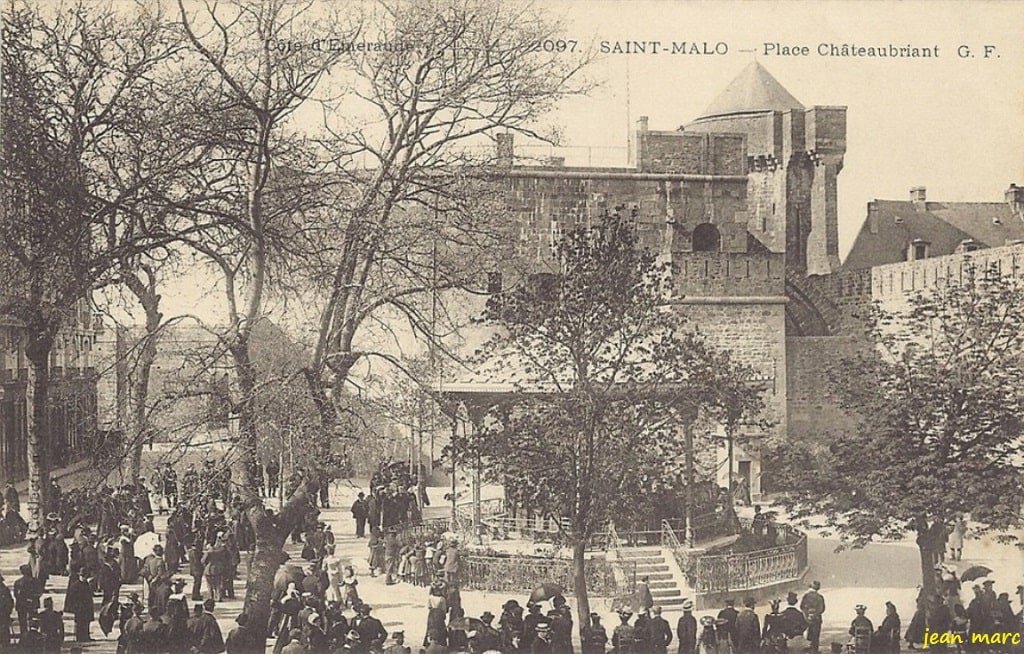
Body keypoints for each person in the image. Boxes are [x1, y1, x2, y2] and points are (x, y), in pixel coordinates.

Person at [13, 562, 41, 640]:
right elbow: (39, 592)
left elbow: (16, 594)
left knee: (23, 622)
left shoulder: (18, 582)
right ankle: (33, 635)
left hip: (21, 604)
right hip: (32, 603)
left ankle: (24, 637)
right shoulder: (35, 581)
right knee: (33, 620)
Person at [66, 567, 95, 642]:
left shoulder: (86, 584)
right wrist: (76, 607)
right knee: (80, 623)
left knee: (86, 623)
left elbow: (89, 597)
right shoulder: (75, 586)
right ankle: (80, 637)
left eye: (85, 576)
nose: (83, 578)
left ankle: (86, 636)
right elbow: (71, 599)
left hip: (86, 608)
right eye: (82, 576)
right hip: (79, 609)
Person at [800, 581, 825, 654]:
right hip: (816, 619)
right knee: (815, 636)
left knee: (808, 634)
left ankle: (809, 648)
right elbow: (822, 609)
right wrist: (814, 615)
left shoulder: (806, 596)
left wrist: (807, 615)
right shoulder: (820, 597)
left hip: (806, 618)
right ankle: (814, 651)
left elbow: (802, 607)